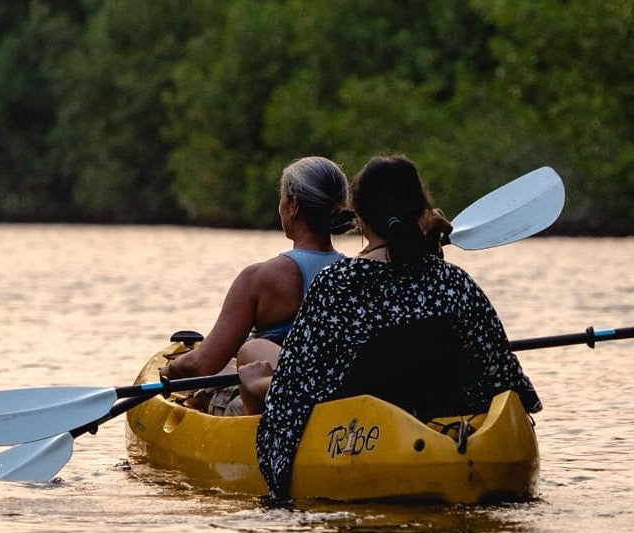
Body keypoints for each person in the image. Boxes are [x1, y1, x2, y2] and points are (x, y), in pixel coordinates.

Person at [255, 154, 542, 501]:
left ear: (359, 218)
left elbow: (291, 394)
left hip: (366, 443)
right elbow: (510, 385)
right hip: (454, 437)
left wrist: (275, 486)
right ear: (421, 209)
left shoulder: (337, 284)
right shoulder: (452, 282)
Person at [161, 156, 354, 413]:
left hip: (271, 405)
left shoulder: (260, 277)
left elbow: (202, 365)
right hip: (332, 398)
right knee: (235, 366)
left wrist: (169, 371)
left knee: (203, 387)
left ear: (292, 205)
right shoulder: (355, 273)